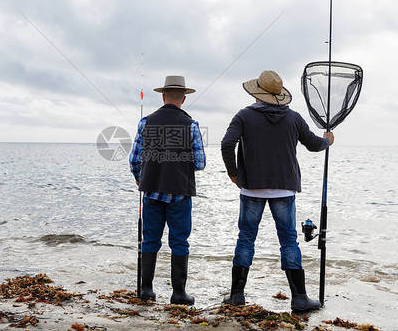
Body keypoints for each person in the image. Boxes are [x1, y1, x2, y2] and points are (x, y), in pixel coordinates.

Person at [220, 70, 333, 311]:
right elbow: (314, 144)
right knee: (289, 241)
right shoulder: (293, 118)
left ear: (257, 94)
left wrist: (234, 173)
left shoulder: (244, 116)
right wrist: (328, 141)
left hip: (251, 189)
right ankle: (300, 298)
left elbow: (227, 143)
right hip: (284, 189)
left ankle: (237, 295)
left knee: (246, 238)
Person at [129, 75, 206, 305]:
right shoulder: (191, 125)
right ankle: (179, 294)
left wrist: (139, 179)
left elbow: (134, 159)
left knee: (150, 240)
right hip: (180, 192)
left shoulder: (145, 122)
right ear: (183, 99)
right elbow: (200, 163)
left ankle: (145, 290)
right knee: (179, 242)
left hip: (151, 191)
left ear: (163, 96)